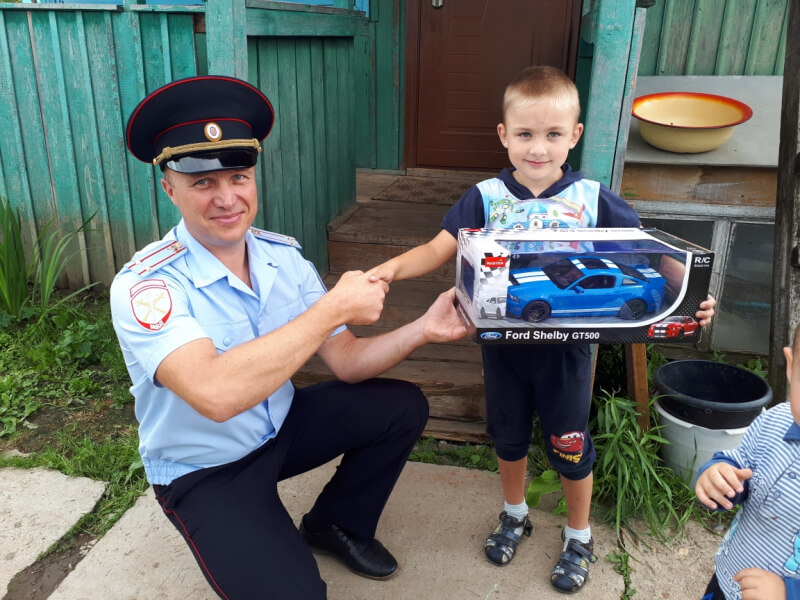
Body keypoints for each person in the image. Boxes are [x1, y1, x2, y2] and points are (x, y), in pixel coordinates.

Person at [110, 75, 467, 600]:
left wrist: (422, 330)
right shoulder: (148, 286)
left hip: (280, 428)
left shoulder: (282, 257)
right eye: (203, 183)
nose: (227, 198)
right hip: (206, 469)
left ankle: (334, 525)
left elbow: (345, 361)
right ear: (170, 188)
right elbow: (215, 394)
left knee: (400, 406)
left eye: (239, 176)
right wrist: (330, 310)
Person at [368, 65, 716, 593]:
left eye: (553, 134)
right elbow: (436, 249)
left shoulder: (591, 199)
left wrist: (691, 300)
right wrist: (389, 269)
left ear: (574, 136)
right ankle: (515, 513)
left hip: (569, 353)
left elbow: (653, 256)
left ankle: (579, 535)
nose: (538, 148)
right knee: (507, 440)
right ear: (504, 135)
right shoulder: (484, 199)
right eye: (526, 134)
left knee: (570, 445)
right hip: (502, 347)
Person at [695, 326, 800, 600]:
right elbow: (738, 466)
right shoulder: (773, 422)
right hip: (729, 578)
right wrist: (717, 477)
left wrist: (787, 592)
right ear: (791, 366)